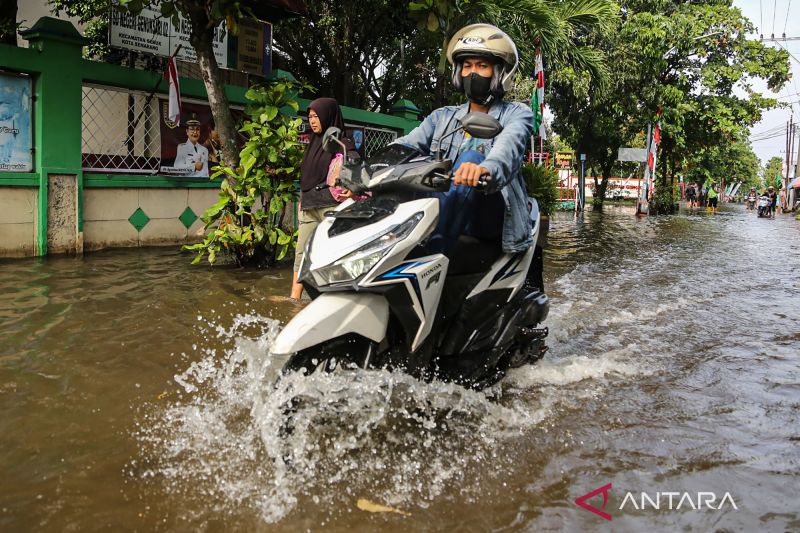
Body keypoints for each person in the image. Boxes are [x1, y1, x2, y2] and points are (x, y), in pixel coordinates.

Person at [391, 23, 533, 255]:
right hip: (442, 208)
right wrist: (363, 169)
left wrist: (484, 169)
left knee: (472, 158)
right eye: (467, 66)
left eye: (482, 66)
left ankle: (428, 257)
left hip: (489, 216)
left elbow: (508, 148)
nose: (472, 73)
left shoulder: (516, 114)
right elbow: (406, 145)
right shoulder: (441, 117)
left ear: (499, 73)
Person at [290, 97, 355, 299]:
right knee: (301, 252)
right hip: (309, 206)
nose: (313, 120)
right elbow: (306, 178)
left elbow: (355, 168)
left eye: (317, 116)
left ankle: (334, 299)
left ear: (328, 116)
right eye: (310, 116)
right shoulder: (312, 144)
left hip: (332, 207)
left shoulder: (343, 143)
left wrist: (352, 188)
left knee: (333, 254)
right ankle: (294, 297)